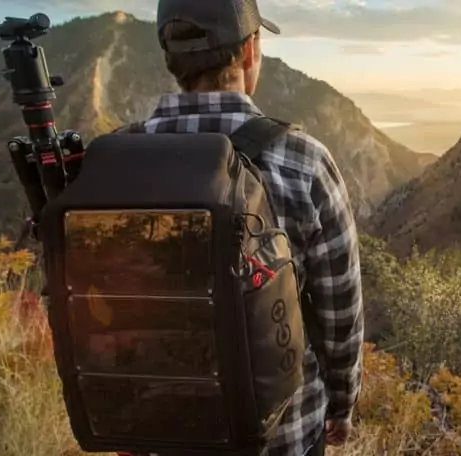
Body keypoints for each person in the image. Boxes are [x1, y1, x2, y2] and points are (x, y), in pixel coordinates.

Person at [118, 0, 365, 455]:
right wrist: (343, 405)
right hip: (282, 435)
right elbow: (340, 313)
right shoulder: (303, 162)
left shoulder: (116, 160)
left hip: (162, 430)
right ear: (250, 50)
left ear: (172, 60)